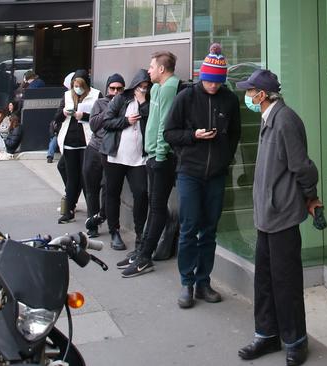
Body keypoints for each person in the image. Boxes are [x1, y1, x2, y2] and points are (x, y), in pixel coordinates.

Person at [236, 69, 321, 366]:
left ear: (262, 95)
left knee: (286, 282)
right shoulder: (268, 119)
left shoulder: (285, 121)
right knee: (265, 281)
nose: (247, 96)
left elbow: (303, 167)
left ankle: (296, 340)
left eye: (250, 91)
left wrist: (311, 197)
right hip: (266, 215)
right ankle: (267, 334)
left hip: (282, 214)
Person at [162, 43, 241, 308]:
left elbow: (235, 134)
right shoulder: (186, 97)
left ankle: (204, 281)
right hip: (189, 173)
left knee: (209, 230)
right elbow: (169, 133)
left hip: (216, 174)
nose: (213, 87)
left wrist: (225, 159)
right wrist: (193, 137)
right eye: (209, 81)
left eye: (218, 83)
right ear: (202, 76)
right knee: (189, 228)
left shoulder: (229, 99)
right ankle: (187, 283)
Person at [119, 51, 180, 278]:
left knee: (156, 208)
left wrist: (160, 154)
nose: (149, 70)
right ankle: (141, 251)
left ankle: (144, 257)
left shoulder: (169, 89)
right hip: (152, 154)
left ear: (162, 69)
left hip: (161, 158)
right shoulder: (156, 89)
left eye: (152, 66)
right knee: (155, 207)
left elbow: (165, 122)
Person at [101, 70, 150, 250]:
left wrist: (143, 101)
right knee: (113, 192)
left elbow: (151, 119)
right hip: (116, 155)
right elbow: (106, 122)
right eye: (140, 87)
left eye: (146, 87)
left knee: (141, 193)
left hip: (138, 158)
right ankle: (114, 231)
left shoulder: (149, 102)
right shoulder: (121, 99)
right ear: (134, 85)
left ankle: (140, 234)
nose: (143, 90)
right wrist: (126, 121)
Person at [83, 72, 126, 239]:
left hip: (112, 151)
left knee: (108, 189)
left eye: (119, 89)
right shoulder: (100, 103)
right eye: (112, 88)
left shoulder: (125, 104)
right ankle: (92, 223)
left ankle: (105, 220)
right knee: (91, 188)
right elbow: (93, 125)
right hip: (94, 149)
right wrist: (110, 107)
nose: (115, 92)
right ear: (108, 88)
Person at [55, 69, 101, 224]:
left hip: (87, 142)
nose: (77, 88)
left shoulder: (96, 95)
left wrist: (85, 116)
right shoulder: (67, 96)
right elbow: (57, 118)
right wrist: (64, 112)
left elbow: (101, 118)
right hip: (69, 142)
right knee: (72, 178)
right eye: (75, 85)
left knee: (87, 178)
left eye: (80, 85)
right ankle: (69, 210)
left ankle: (92, 214)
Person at [47, 72, 74, 164]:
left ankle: (51, 156)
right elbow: (58, 116)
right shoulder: (66, 96)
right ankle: (50, 156)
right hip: (62, 126)